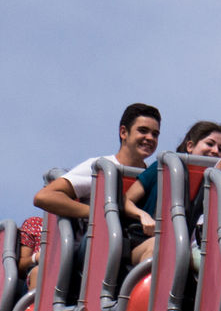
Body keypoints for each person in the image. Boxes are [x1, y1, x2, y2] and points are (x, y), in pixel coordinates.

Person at [31, 103, 162, 260]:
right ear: (123, 132)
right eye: (143, 131)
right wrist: (98, 213)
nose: (150, 138)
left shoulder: (154, 176)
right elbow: (44, 197)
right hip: (95, 250)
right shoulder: (100, 169)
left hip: (135, 243)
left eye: (155, 134)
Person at [125, 120, 221, 263]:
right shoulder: (164, 168)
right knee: (162, 246)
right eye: (210, 144)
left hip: (183, 249)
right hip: (143, 242)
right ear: (190, 146)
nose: (216, 151)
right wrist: (143, 216)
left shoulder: (214, 186)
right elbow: (125, 200)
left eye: (220, 148)